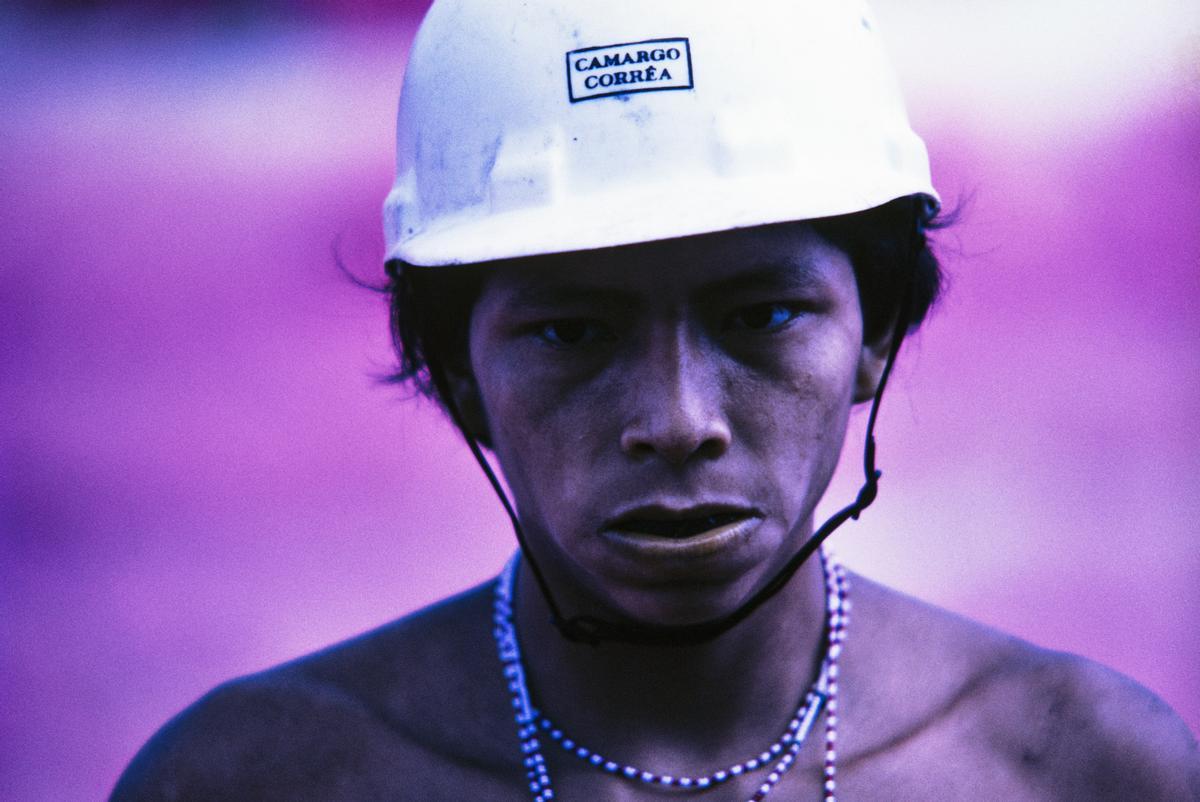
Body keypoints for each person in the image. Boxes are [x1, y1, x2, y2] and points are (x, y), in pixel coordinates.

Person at [112, 0, 1199, 799]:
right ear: (456, 377)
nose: (679, 421)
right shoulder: (253, 780)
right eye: (574, 332)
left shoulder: (1089, 770)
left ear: (874, 333)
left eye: (761, 316)